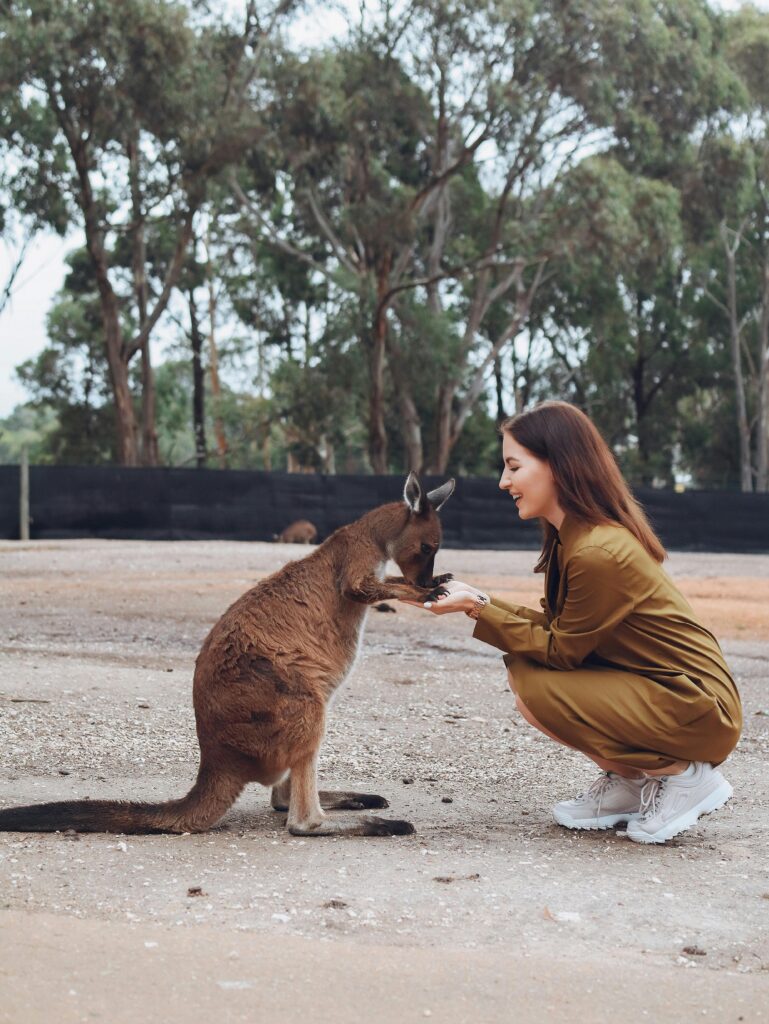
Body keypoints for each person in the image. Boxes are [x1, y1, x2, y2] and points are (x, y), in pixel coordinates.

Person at [411, 401, 741, 845]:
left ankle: (684, 776)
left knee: (538, 686)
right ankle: (629, 785)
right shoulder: (576, 537)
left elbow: (561, 651)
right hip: (668, 692)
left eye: (514, 466)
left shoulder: (596, 550)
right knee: (525, 672)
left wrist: (477, 608)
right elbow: (559, 630)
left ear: (558, 467)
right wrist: (478, 599)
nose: (503, 481)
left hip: (698, 708)